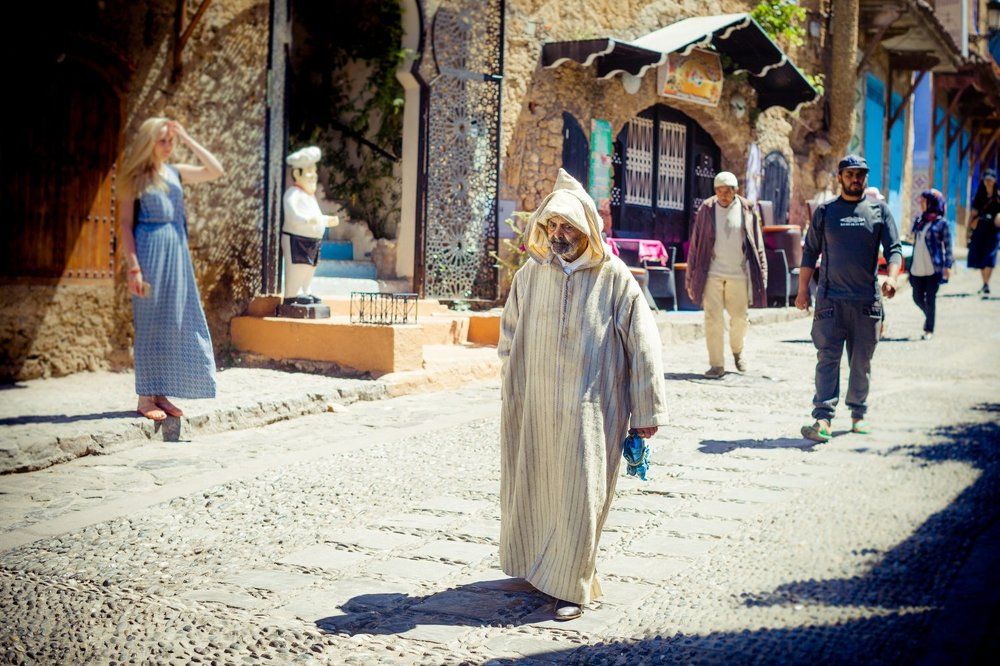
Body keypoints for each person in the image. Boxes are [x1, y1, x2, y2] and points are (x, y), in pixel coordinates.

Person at [498, 169, 668, 621]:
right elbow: (509, 336)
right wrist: (514, 386)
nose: (558, 234)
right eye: (552, 225)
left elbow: (643, 346)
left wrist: (646, 411)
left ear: (588, 228)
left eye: (567, 226)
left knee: (582, 494)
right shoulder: (530, 276)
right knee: (534, 484)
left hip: (592, 412)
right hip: (535, 405)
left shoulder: (615, 279)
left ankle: (572, 585)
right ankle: (538, 568)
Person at [118, 118, 225, 421]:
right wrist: (134, 268)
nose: (168, 146)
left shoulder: (175, 172)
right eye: (162, 140)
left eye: (171, 141)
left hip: (177, 252)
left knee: (173, 321)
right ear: (148, 142)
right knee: (150, 322)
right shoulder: (134, 177)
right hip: (149, 250)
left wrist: (187, 138)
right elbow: (125, 224)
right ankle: (145, 397)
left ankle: (160, 393)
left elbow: (215, 170)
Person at [796, 155, 902, 442]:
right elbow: (810, 252)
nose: (855, 179)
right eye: (850, 174)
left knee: (861, 362)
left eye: (860, 175)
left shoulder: (879, 211)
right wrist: (803, 290)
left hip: (867, 302)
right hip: (830, 301)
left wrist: (892, 278)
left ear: (865, 178)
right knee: (827, 358)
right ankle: (823, 419)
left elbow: (894, 249)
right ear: (840, 177)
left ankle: (858, 413)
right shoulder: (825, 212)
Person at [685, 171, 767, 378]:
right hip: (711, 272)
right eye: (719, 191)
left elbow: (757, 244)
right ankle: (716, 365)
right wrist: (690, 275)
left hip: (738, 273)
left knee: (739, 318)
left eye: (727, 191)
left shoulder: (747, 208)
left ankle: (738, 351)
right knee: (713, 319)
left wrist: (762, 273)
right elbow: (695, 244)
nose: (723, 195)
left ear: (735, 190)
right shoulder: (706, 209)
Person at [908, 189, 953, 340]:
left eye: (924, 201)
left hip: (933, 268)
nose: (921, 204)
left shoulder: (941, 223)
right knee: (917, 297)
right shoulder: (920, 221)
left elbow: (948, 246)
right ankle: (929, 315)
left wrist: (948, 266)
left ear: (932, 203)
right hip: (917, 268)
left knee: (931, 298)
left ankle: (929, 329)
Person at [967, 168, 999, 298]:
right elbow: (973, 213)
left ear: (994, 181)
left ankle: (986, 283)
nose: (988, 182)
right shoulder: (979, 196)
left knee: (990, 256)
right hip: (980, 230)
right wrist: (969, 229)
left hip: (993, 231)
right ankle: (985, 283)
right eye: (986, 180)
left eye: (990, 180)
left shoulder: (998, 197)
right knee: (981, 256)